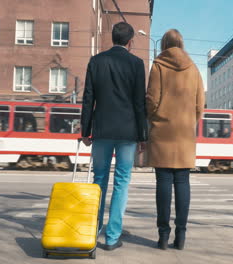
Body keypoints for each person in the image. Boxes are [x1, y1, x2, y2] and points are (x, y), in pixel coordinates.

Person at [80, 22, 147, 251]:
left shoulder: (96, 61)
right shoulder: (137, 64)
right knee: (122, 182)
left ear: (112, 38)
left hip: (102, 130)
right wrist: (142, 135)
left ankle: (92, 230)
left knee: (99, 181)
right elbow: (139, 102)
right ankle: (112, 237)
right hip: (127, 132)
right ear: (130, 42)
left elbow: (89, 98)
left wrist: (85, 131)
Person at [146, 29, 205, 250]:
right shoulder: (194, 69)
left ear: (164, 44)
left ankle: (162, 235)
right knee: (182, 183)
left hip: (162, 132)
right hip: (184, 135)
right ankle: (180, 237)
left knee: (163, 185)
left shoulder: (158, 66)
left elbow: (152, 99)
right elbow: (200, 104)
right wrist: (190, 122)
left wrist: (152, 118)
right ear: (181, 43)